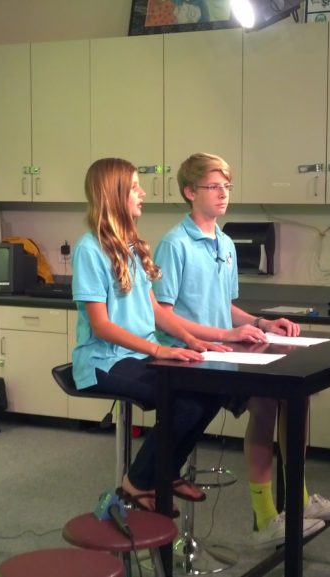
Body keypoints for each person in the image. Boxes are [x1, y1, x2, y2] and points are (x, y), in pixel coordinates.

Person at [152, 153, 330, 547]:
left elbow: (225, 306)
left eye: (227, 186)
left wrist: (262, 323)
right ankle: (264, 518)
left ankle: (298, 501)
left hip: (225, 350)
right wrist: (226, 335)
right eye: (214, 186)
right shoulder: (174, 244)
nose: (223, 194)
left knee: (294, 396)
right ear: (190, 192)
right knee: (266, 400)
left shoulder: (225, 242)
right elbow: (165, 315)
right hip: (191, 356)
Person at [70, 157, 227, 515]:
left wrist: (192, 341)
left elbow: (155, 310)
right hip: (103, 360)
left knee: (213, 388)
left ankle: (166, 472)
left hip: (138, 356)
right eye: (135, 187)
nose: (142, 193)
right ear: (114, 194)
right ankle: (137, 483)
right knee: (184, 404)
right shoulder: (89, 249)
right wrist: (159, 350)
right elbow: (101, 326)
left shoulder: (130, 245)